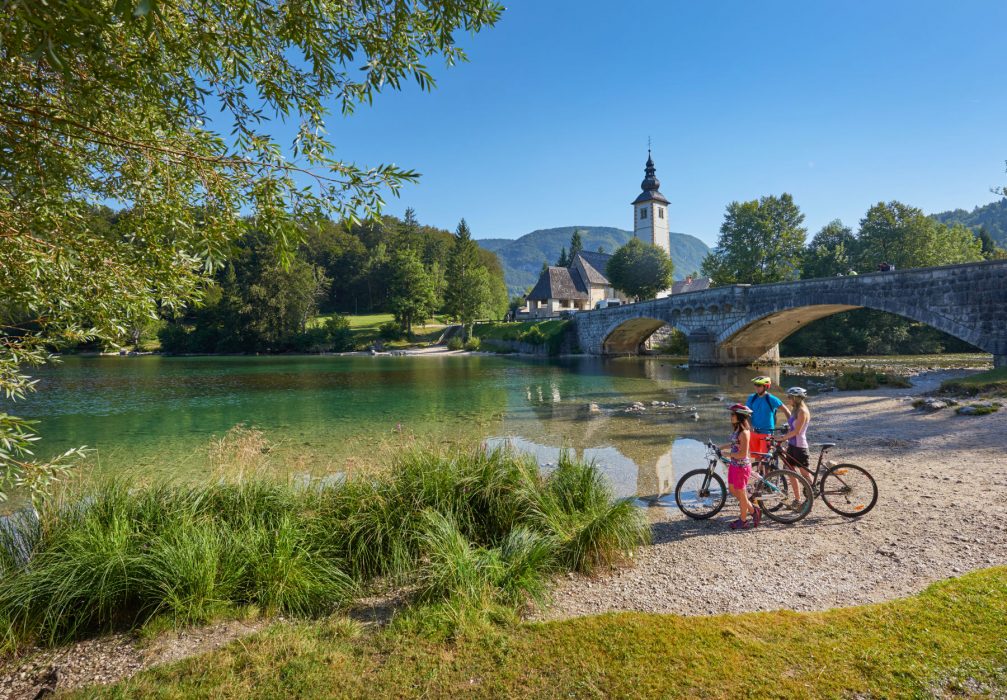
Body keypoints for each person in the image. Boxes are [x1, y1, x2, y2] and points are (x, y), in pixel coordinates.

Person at [719, 404, 759, 530]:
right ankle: (753, 510)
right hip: (734, 465)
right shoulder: (737, 430)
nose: (731, 416)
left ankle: (743, 521)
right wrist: (719, 447)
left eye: (733, 414)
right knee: (732, 489)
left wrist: (728, 454)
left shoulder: (744, 433)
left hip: (741, 467)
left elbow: (742, 454)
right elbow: (733, 443)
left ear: (740, 416)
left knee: (741, 494)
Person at [745, 376, 790, 463]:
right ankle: (760, 474)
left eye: (759, 385)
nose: (756, 387)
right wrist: (750, 426)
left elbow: (786, 411)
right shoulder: (751, 398)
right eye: (755, 385)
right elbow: (747, 413)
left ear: (766, 386)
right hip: (754, 431)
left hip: (766, 432)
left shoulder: (771, 399)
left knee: (766, 457)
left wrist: (791, 425)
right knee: (757, 456)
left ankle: (767, 475)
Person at [777, 386, 812, 483]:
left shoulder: (802, 412)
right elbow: (791, 426)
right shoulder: (795, 410)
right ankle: (797, 497)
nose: (788, 399)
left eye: (790, 397)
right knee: (790, 471)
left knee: (805, 474)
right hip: (792, 445)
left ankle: (813, 492)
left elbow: (797, 431)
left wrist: (782, 438)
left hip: (800, 446)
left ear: (796, 398)